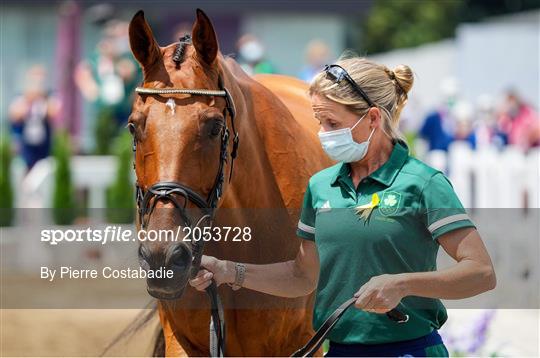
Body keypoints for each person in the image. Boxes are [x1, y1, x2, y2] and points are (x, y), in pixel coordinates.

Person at [189, 57, 496, 357]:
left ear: (373, 119)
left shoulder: (424, 183)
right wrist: (228, 271)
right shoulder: (320, 186)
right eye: (319, 122)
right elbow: (302, 276)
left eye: (332, 123)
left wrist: (402, 284)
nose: (323, 133)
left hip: (411, 350)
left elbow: (481, 272)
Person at [9, 65, 59, 171]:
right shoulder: (21, 97)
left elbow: (54, 112)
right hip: (26, 148)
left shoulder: (48, 97)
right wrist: (29, 99)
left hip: (45, 147)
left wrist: (41, 97)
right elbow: (14, 114)